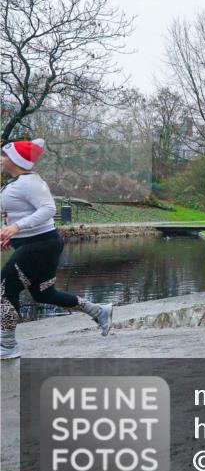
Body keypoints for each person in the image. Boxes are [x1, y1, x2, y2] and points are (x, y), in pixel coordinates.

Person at [1, 139, 113, 360]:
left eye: (3, 155)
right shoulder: (19, 182)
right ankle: (99, 311)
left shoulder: (29, 182)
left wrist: (16, 227)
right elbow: (19, 213)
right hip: (37, 244)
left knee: (4, 289)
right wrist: (10, 232)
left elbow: (49, 209)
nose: (0, 159)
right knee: (44, 293)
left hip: (40, 244)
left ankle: (7, 345)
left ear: (15, 159)